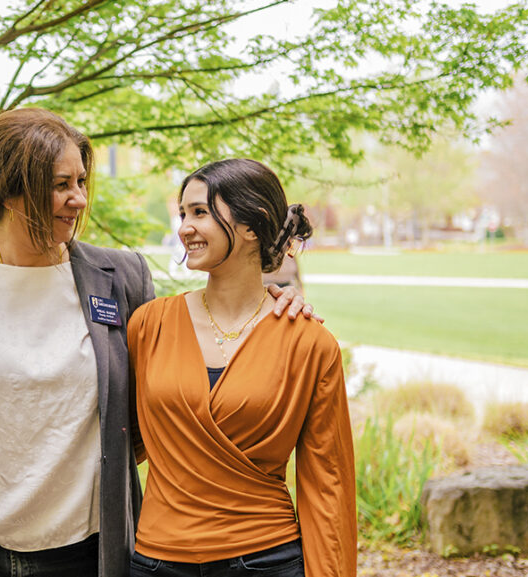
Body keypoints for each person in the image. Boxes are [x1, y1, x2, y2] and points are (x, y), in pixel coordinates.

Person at [0, 109, 317, 577]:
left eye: (82, 182)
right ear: (10, 187)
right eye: (61, 184)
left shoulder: (120, 278)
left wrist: (266, 302)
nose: (79, 199)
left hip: (90, 552)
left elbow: (170, 373)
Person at [127, 158, 357, 577]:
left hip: (266, 558)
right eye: (183, 214)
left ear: (253, 226)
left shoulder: (308, 343)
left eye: (199, 212)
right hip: (158, 559)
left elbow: (329, 483)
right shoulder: (149, 325)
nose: (184, 228)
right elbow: (122, 439)